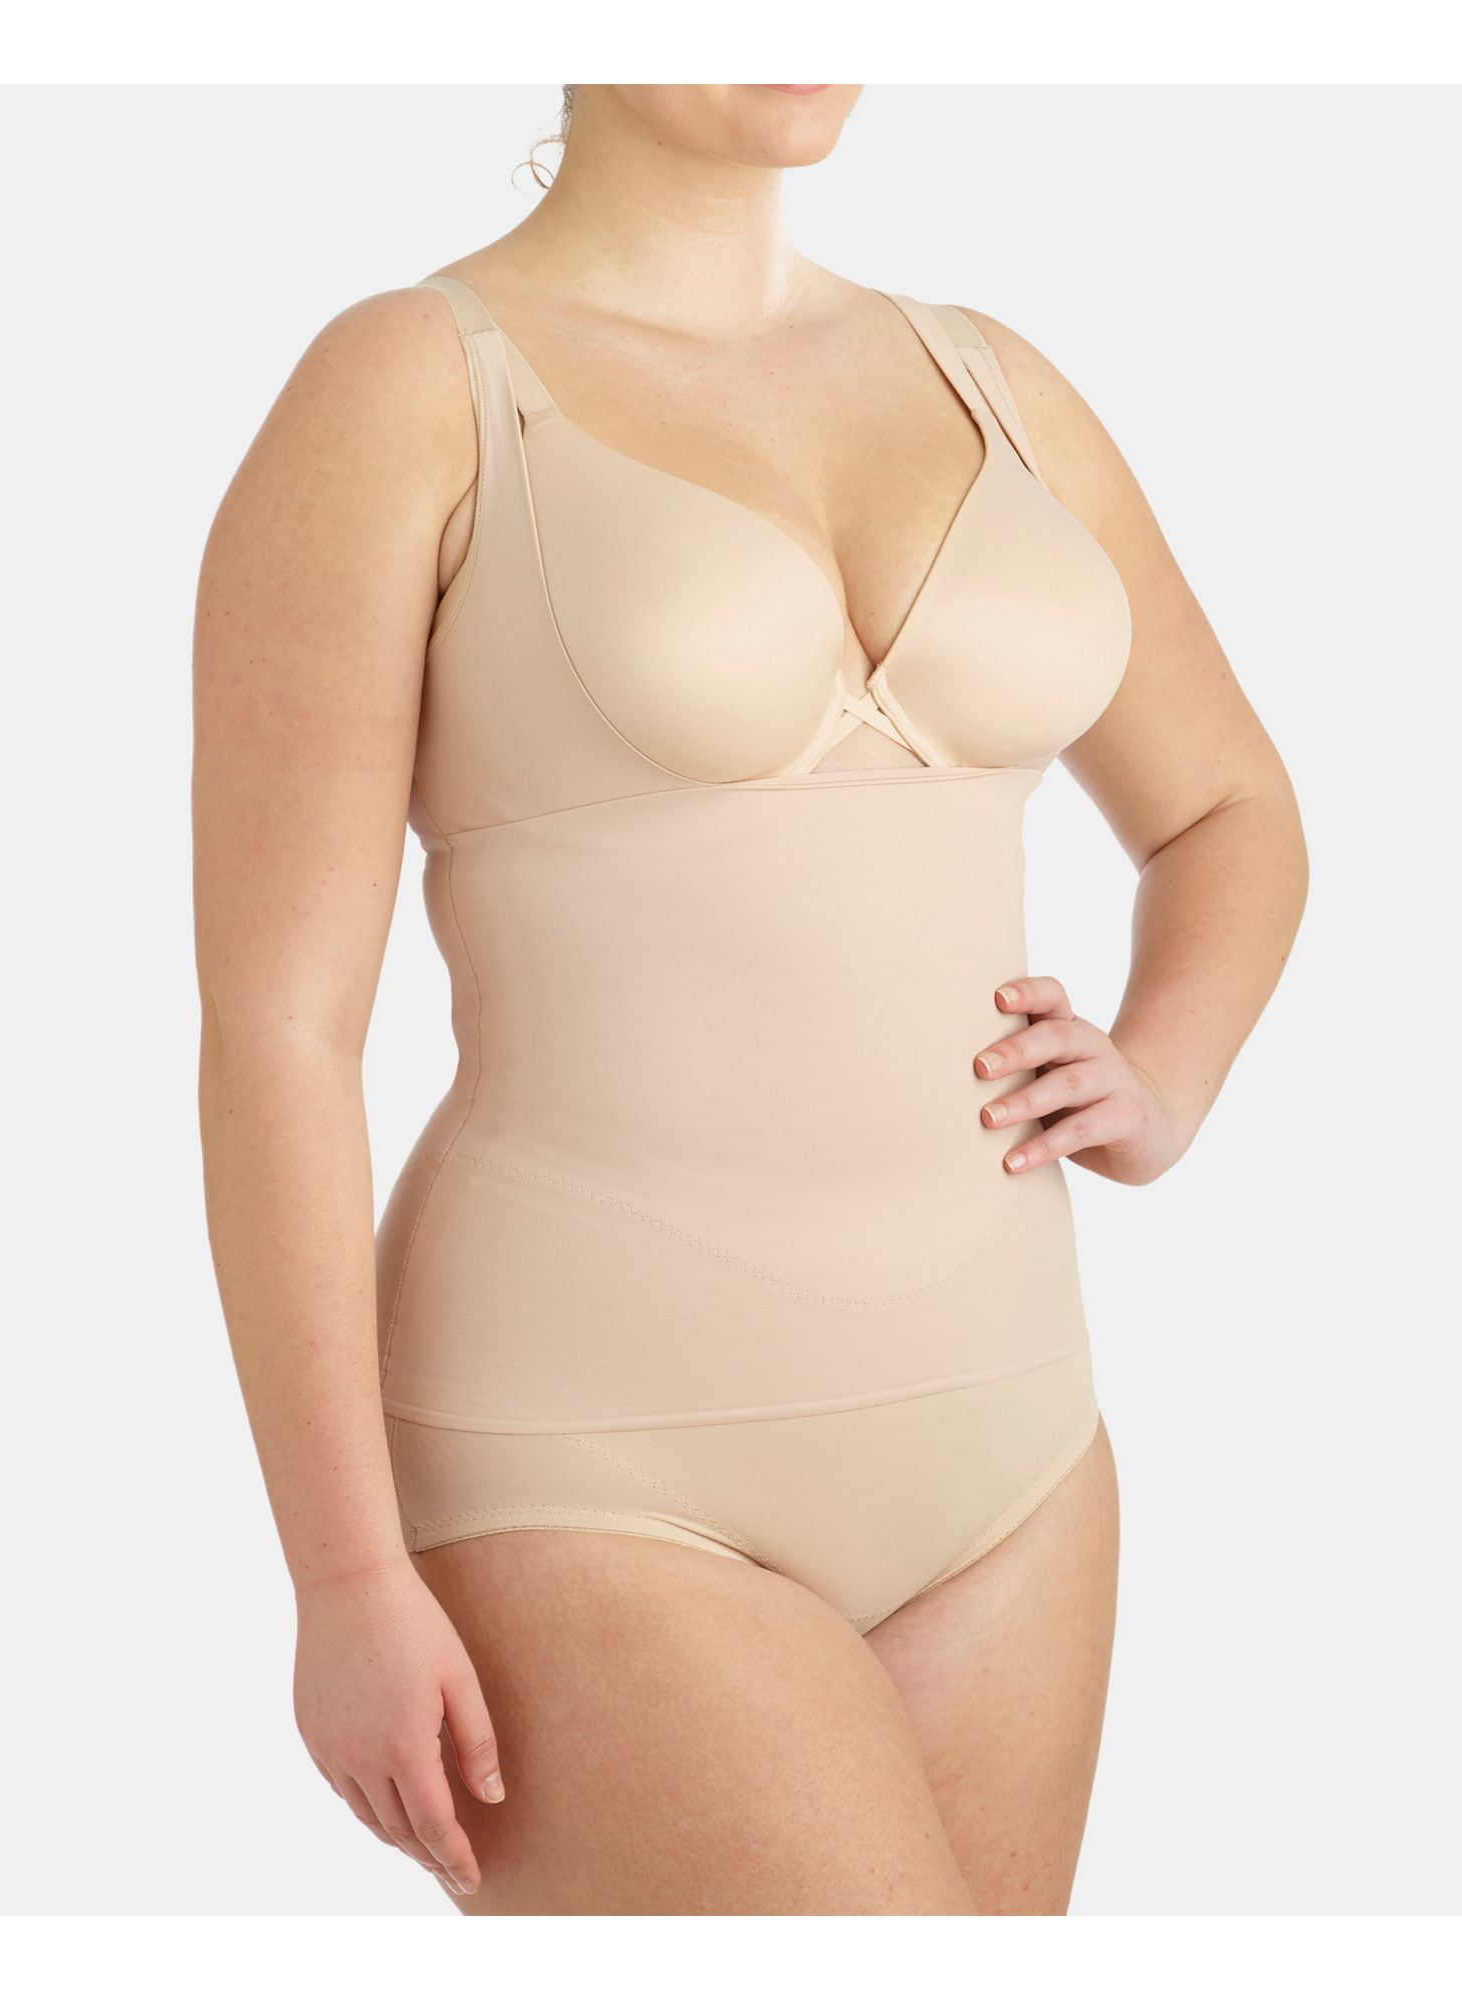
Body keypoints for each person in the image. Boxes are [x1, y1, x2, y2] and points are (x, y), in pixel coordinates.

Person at [192, 84, 1307, 1916]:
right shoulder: (410, 387)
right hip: (587, 1466)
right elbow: (280, 1036)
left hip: (1015, 1453)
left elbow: (1230, 811)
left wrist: (1165, 1073)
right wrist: (342, 1577)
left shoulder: (993, 380)